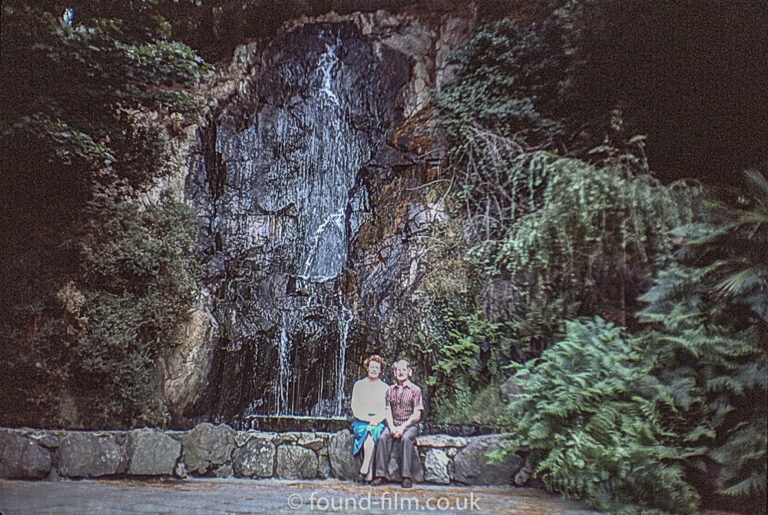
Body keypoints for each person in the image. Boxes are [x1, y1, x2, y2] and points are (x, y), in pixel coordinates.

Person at [372, 359, 424, 488]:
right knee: (383, 438)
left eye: (403, 370)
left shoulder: (415, 390)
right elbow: (387, 410)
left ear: (409, 372)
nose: (401, 372)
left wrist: (403, 427)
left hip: (410, 425)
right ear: (394, 373)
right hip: (393, 423)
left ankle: (406, 477)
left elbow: (417, 414)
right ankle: (380, 475)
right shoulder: (390, 390)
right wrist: (392, 427)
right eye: (398, 370)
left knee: (406, 439)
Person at [350, 354, 389, 482]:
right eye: (371, 367)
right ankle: (368, 470)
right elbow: (355, 407)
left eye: (376, 367)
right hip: (361, 421)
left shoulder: (385, 388)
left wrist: (376, 420)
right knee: (369, 432)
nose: (373, 369)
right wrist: (367, 419)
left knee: (372, 432)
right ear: (367, 368)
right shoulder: (358, 385)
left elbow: (386, 409)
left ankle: (366, 468)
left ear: (380, 370)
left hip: (378, 421)